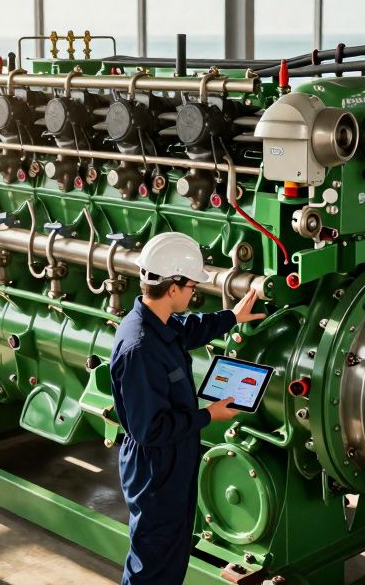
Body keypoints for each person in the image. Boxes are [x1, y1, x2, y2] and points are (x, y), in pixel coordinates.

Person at [110, 232, 267, 585]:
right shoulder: (140, 347)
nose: (193, 294)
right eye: (192, 287)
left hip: (174, 459)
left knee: (172, 553)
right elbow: (150, 430)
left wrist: (231, 317)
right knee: (152, 563)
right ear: (173, 288)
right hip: (156, 468)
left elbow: (189, 330)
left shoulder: (159, 322)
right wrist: (209, 416)